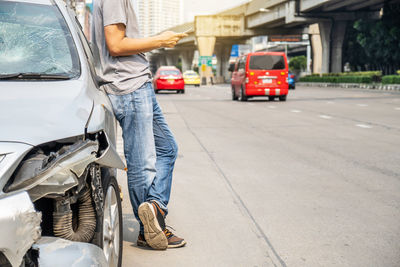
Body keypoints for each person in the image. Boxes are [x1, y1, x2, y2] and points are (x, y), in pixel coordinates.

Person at [92, 0, 187, 250]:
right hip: (129, 87)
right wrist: (161, 41)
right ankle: (148, 230)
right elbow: (115, 44)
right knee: (142, 163)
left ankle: (154, 208)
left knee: (167, 149)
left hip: (137, 86)